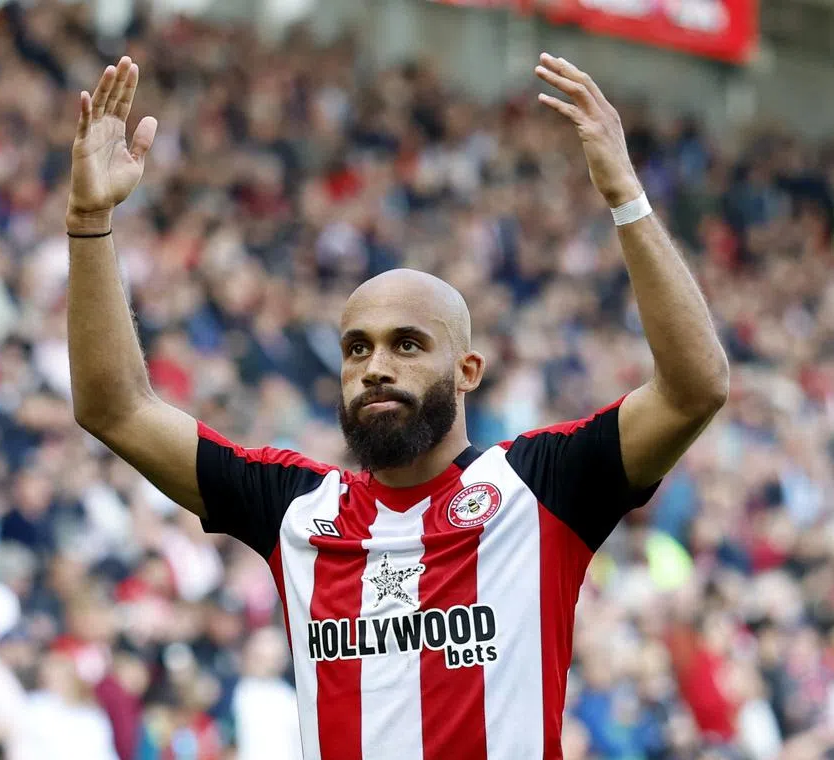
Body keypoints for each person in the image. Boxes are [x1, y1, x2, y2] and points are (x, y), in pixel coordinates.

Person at [65, 53, 728, 760]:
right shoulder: (294, 508)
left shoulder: (541, 486)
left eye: (407, 345)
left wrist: (627, 196)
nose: (375, 367)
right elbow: (115, 408)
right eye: (356, 349)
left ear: (468, 370)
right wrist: (88, 219)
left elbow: (695, 388)